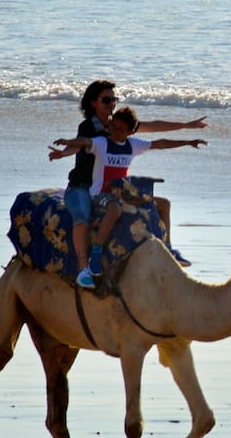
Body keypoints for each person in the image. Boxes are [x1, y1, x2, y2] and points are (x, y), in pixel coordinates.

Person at [60, 80, 206, 288]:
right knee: (82, 216)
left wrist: (186, 126)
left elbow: (154, 129)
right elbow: (81, 144)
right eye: (106, 100)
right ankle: (85, 267)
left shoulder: (119, 125)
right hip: (84, 185)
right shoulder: (90, 127)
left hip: (115, 187)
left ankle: (167, 247)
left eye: (114, 99)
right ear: (93, 102)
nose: (111, 104)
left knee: (160, 203)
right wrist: (63, 152)